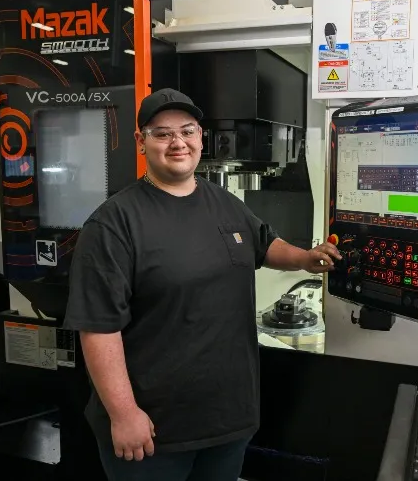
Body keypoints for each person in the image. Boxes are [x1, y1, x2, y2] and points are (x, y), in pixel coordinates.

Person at [63, 88, 340, 481]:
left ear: (200, 138)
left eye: (187, 131)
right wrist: (124, 414)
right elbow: (97, 329)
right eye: (162, 134)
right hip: (155, 432)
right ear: (142, 142)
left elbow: (263, 243)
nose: (178, 142)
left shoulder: (223, 201)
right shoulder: (113, 224)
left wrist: (305, 258)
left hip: (227, 420)